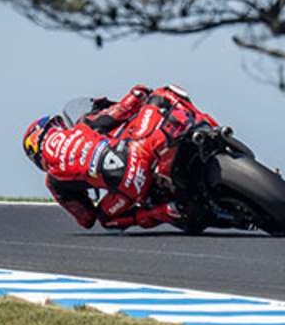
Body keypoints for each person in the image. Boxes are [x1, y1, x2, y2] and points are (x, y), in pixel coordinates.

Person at [22, 85, 212, 230]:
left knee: (107, 220)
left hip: (129, 186)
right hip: (138, 150)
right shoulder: (84, 125)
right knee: (163, 95)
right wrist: (138, 93)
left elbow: (86, 219)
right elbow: (122, 109)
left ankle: (166, 211)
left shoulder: (54, 180)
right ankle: (209, 129)